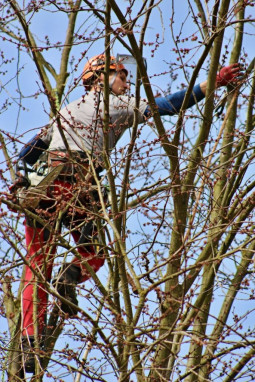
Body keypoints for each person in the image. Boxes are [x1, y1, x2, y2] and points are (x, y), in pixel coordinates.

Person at [14, 53, 242, 372]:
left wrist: (20, 180)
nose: (125, 82)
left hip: (43, 189)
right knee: (96, 253)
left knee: (37, 264)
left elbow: (26, 153)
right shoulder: (118, 105)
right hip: (77, 184)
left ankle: (29, 343)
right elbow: (167, 105)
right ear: (99, 78)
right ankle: (71, 274)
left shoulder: (62, 114)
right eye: (120, 75)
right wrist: (213, 82)